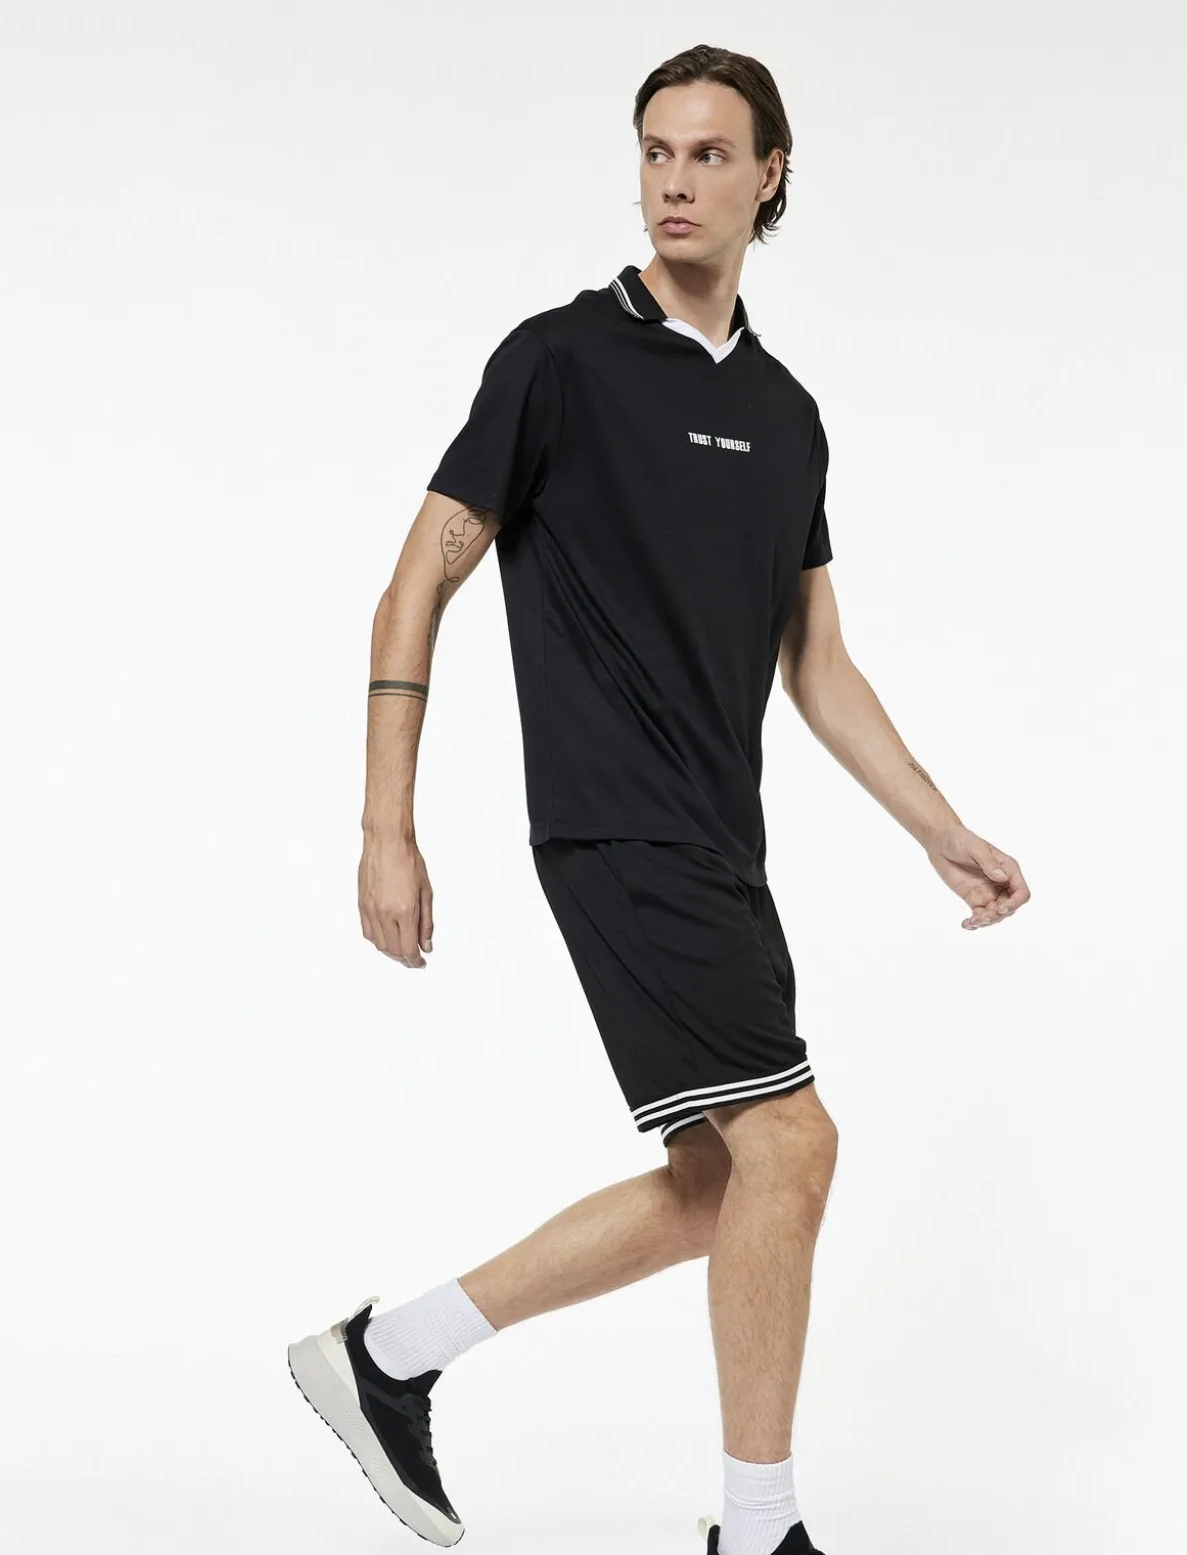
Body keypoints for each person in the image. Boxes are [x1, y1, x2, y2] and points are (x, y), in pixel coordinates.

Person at [288, 43, 1030, 1555]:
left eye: (707, 155)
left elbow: (818, 663)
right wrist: (384, 825)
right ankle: (759, 1531)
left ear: (769, 176)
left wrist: (940, 829)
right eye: (654, 152)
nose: (673, 183)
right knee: (795, 1147)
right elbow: (412, 586)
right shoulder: (558, 361)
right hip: (614, 822)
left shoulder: (788, 413)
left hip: (720, 838)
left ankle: (390, 1355)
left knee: (723, 1181)